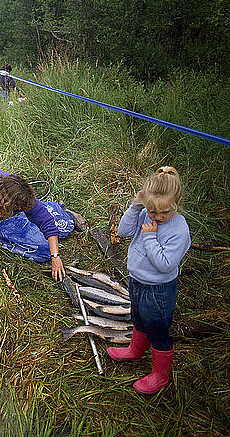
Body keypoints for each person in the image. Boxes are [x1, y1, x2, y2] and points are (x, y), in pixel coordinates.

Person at [106, 166, 191, 396]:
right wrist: (136, 207)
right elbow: (123, 231)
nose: (157, 217)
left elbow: (165, 264)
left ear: (177, 202)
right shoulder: (146, 212)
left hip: (159, 290)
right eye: (152, 210)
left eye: (163, 213)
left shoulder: (179, 230)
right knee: (139, 319)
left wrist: (150, 237)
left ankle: (160, 375)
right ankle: (135, 349)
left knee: (157, 329)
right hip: (137, 281)